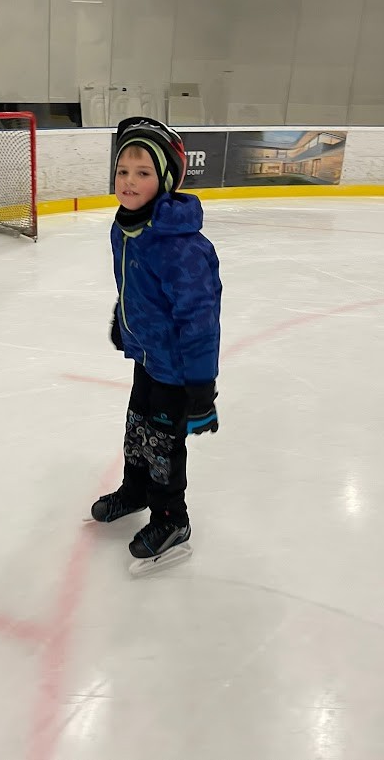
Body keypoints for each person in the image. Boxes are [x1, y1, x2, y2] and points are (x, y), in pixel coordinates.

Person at [91, 116, 222, 566]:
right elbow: (132, 287)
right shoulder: (125, 227)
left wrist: (201, 387)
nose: (129, 181)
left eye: (143, 172)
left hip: (178, 369)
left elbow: (200, 321)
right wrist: (123, 320)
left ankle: (171, 517)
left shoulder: (181, 247)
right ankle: (135, 490)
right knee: (137, 430)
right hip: (148, 356)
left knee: (164, 443)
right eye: (123, 171)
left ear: (166, 180)